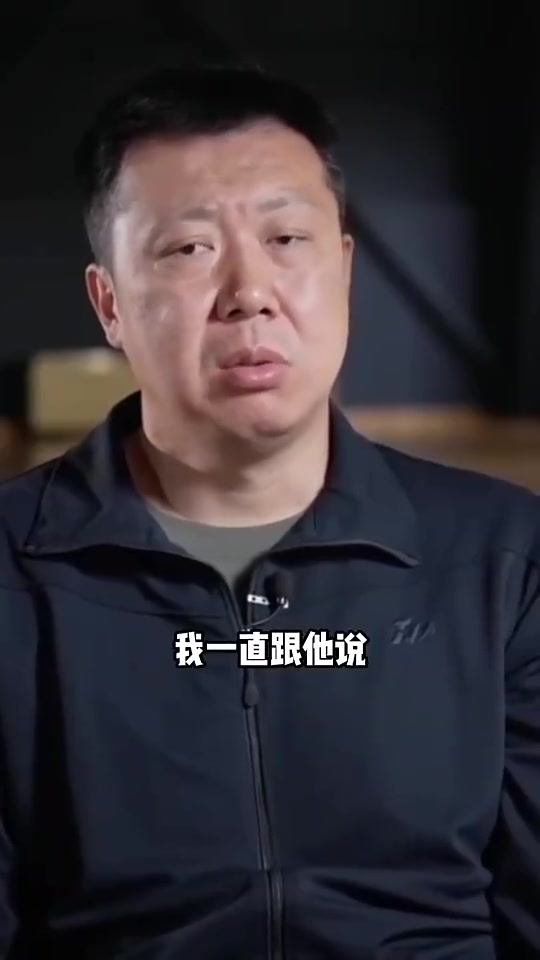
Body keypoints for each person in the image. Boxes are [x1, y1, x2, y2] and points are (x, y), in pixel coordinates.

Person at [0, 64, 538, 960]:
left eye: (287, 238)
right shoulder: (14, 578)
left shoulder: (507, 564)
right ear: (110, 304)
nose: (250, 291)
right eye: (188, 249)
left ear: (345, 268)